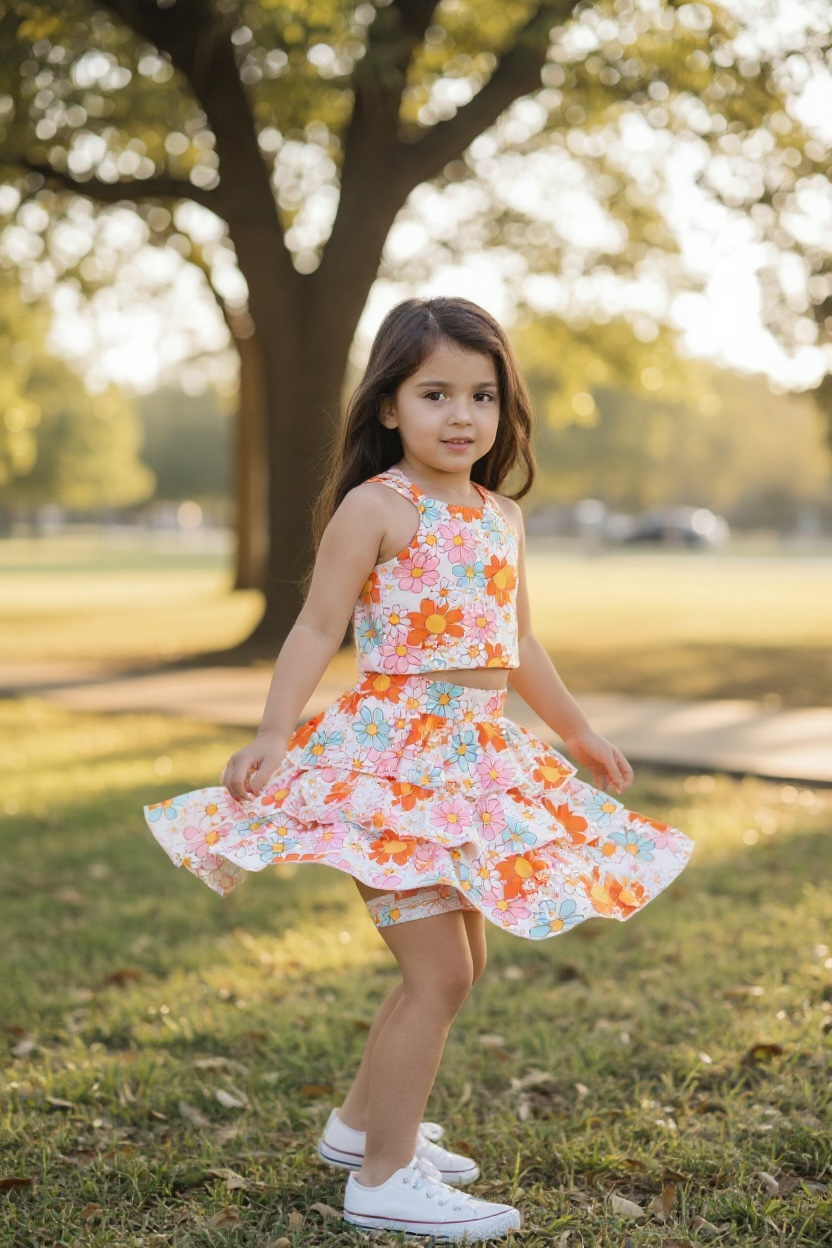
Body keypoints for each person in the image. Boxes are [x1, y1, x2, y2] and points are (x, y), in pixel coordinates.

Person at [143, 295, 694, 1242]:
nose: (461, 416)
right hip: (392, 762)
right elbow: (317, 625)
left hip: (476, 762)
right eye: (435, 393)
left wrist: (577, 733)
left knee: (461, 959)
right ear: (390, 406)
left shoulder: (500, 518)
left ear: (504, 410)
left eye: (481, 396)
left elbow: (519, 646)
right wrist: (276, 732)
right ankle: (387, 1180)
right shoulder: (376, 506)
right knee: (436, 972)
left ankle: (361, 1130)